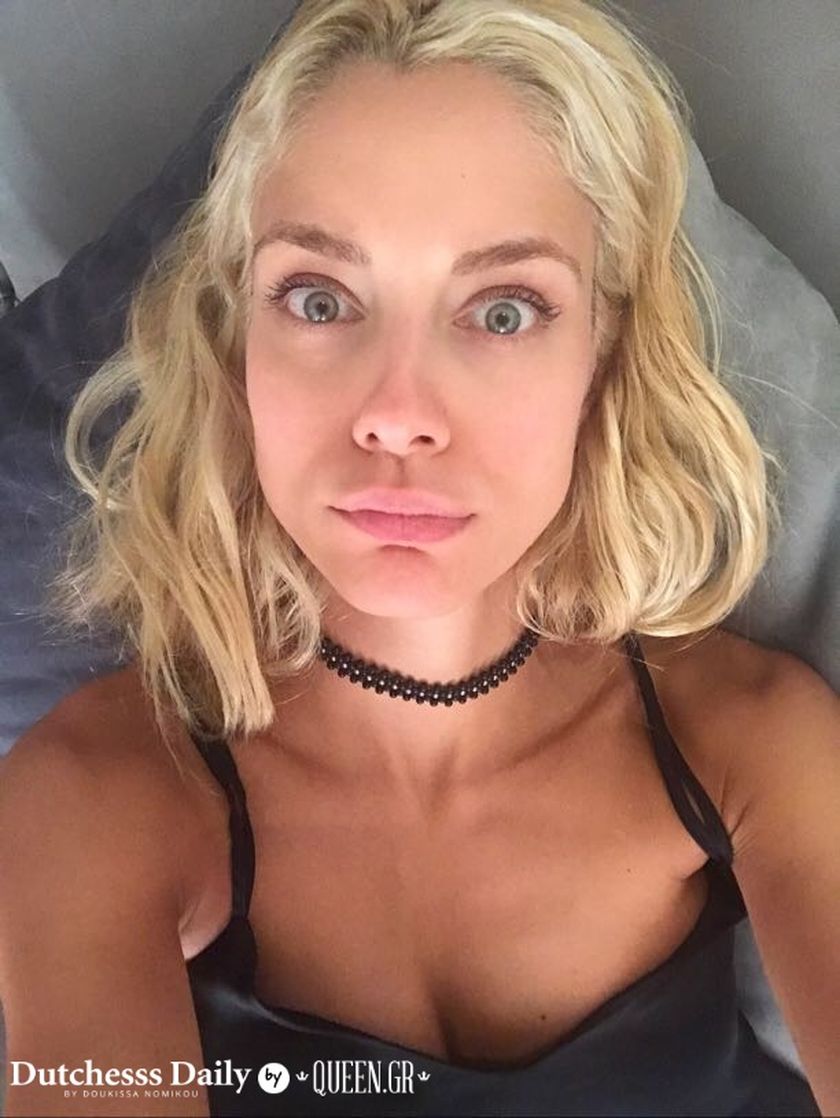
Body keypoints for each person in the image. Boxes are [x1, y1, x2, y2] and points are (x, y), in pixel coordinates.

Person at [1, 0, 838, 1115]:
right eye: (319, 299)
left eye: (503, 311)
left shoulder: (750, 740)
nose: (397, 414)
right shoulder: (95, 796)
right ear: (236, 342)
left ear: (604, 351)